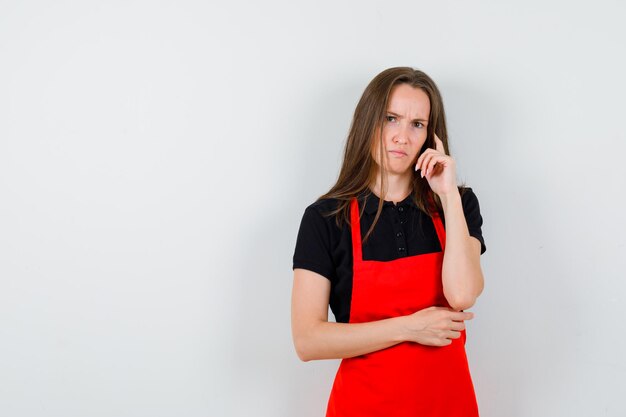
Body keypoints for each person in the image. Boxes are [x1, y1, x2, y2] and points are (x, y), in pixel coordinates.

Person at [291, 67, 486, 417]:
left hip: (449, 406)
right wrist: (410, 327)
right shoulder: (325, 218)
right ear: (368, 123)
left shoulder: (458, 204)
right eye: (391, 118)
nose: (402, 136)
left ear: (431, 136)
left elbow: (462, 295)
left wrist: (448, 196)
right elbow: (307, 340)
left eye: (417, 124)